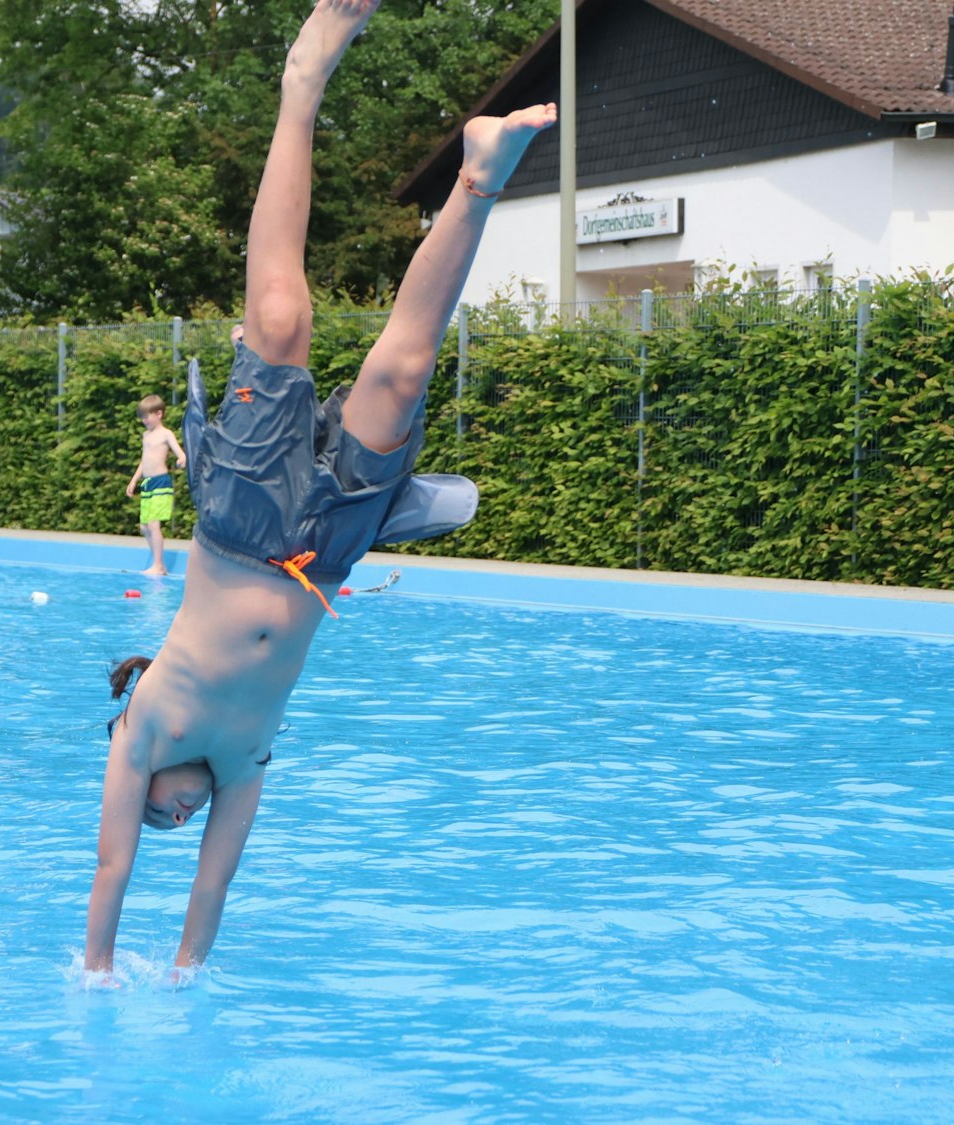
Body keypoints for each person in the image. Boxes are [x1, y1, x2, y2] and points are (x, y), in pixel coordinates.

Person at [83, 0, 556, 977]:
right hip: (324, 551)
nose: (178, 817)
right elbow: (209, 889)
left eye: (164, 814)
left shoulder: (143, 730)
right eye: (183, 819)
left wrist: (95, 967)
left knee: (279, 314)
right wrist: (180, 977)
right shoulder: (242, 770)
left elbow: (112, 867)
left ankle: (303, 78)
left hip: (240, 523)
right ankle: (477, 179)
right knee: (400, 371)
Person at [125, 394, 187, 576]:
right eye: (142, 417)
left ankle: (158, 565)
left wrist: (182, 459)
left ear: (159, 413)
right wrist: (134, 480)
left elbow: (180, 453)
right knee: (144, 526)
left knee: (153, 525)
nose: (144, 420)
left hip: (161, 482)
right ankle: (158, 564)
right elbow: (144, 462)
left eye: (147, 416)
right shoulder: (146, 436)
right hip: (148, 483)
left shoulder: (166, 434)